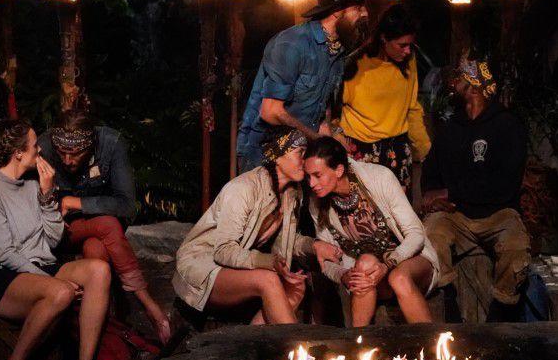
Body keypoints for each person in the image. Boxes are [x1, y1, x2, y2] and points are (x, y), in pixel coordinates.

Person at [0, 120, 110, 360]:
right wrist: (51, 280)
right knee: (61, 292)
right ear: (18, 153)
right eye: (35, 145)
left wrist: (46, 195)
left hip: (38, 266)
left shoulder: (34, 184)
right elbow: (1, 253)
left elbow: (53, 240)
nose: (40, 150)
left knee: (99, 270)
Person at [173, 127, 341, 324]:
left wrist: (314, 245)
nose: (305, 162)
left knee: (296, 287)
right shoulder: (243, 188)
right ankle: (296, 343)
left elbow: (286, 239)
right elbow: (223, 250)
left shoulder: (291, 193)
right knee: (267, 279)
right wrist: (268, 261)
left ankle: (253, 338)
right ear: (277, 156)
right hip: (202, 265)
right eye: (300, 153)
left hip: (233, 266)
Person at [38, 110, 170, 343]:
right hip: (59, 230)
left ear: (90, 146)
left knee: (96, 249)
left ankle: (102, 335)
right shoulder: (44, 146)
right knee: (107, 224)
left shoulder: (110, 143)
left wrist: (74, 202)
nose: (67, 160)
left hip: (101, 232)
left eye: (75, 153)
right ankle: (148, 305)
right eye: (62, 153)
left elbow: (127, 206)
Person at [236, 0, 386, 172]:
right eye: (358, 7)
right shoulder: (292, 44)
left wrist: (331, 135)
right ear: (337, 10)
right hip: (264, 154)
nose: (365, 13)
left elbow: (321, 105)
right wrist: (317, 139)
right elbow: (271, 112)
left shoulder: (338, 49)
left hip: (300, 152)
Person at [422, 57, 529, 322]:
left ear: (473, 84)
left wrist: (451, 193)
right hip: (457, 214)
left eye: (458, 77)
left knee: (516, 246)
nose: (452, 81)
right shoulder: (451, 129)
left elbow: (505, 185)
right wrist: (432, 197)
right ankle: (449, 307)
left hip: (499, 213)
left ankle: (500, 315)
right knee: (431, 235)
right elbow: (431, 175)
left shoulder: (507, 125)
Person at [304, 137, 439, 327]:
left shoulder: (379, 177)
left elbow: (416, 234)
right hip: (371, 277)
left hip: (411, 263)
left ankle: (431, 342)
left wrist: (388, 264)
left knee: (398, 278)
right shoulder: (317, 202)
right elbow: (326, 259)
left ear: (339, 170)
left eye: (317, 175)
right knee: (364, 267)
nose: (311, 183)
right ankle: (359, 341)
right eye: (308, 176)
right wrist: (343, 275)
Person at [335, 5, 430, 197]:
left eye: (410, 45)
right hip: (362, 150)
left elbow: (412, 107)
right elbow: (334, 111)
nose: (407, 50)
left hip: (397, 150)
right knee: (367, 210)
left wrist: (424, 149)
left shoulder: (408, 60)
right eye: (402, 45)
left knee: (400, 211)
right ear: (384, 38)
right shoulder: (356, 65)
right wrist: (337, 138)